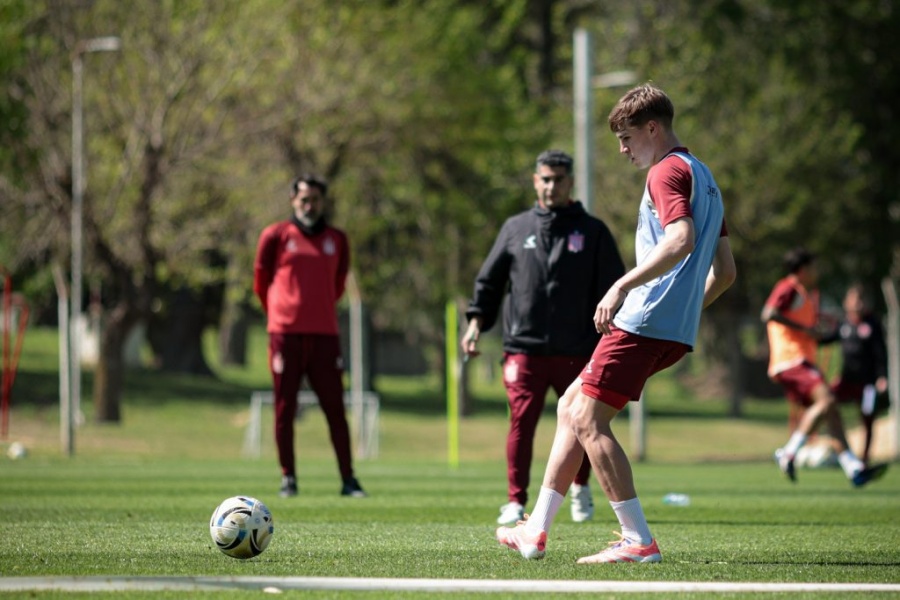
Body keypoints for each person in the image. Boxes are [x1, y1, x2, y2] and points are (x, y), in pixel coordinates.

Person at [495, 83, 736, 564]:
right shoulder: (704, 175)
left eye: (627, 138)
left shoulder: (664, 172)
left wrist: (622, 286)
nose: (624, 150)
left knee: (587, 418)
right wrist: (683, 313)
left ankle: (638, 539)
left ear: (652, 128)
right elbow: (725, 273)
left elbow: (681, 239)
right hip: (668, 329)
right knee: (570, 405)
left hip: (642, 321)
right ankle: (535, 530)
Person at [463, 149, 625, 526]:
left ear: (570, 183)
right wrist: (475, 322)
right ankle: (515, 500)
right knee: (521, 422)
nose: (552, 186)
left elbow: (614, 286)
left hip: (578, 349)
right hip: (523, 348)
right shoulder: (516, 228)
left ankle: (581, 490)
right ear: (536, 181)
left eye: (559, 179)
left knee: (582, 422)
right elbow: (489, 282)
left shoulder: (593, 231)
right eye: (545, 179)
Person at [253, 174, 366, 499]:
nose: (309, 205)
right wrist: (278, 313)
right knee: (284, 408)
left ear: (322, 201)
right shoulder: (275, 235)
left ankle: (348, 479)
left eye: (315, 199)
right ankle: (288, 478)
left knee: (334, 408)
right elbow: (260, 281)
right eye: (304, 199)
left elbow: (339, 281)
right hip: (285, 334)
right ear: (293, 200)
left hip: (324, 335)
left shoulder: (337, 239)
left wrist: (318, 308)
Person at [762, 248, 887, 486]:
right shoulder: (788, 287)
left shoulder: (804, 294)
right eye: (814, 267)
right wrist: (805, 330)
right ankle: (788, 452)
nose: (817, 272)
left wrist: (814, 332)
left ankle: (854, 469)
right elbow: (769, 313)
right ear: (803, 269)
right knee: (828, 400)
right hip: (791, 360)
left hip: (802, 360)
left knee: (832, 414)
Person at [821, 284, 889, 465]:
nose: (857, 304)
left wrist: (882, 377)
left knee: (867, 418)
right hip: (846, 380)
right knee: (826, 402)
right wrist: (810, 335)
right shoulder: (844, 323)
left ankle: (864, 458)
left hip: (867, 383)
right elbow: (826, 339)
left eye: (860, 300)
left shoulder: (872, 324)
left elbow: (880, 352)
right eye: (853, 300)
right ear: (847, 302)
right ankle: (840, 450)